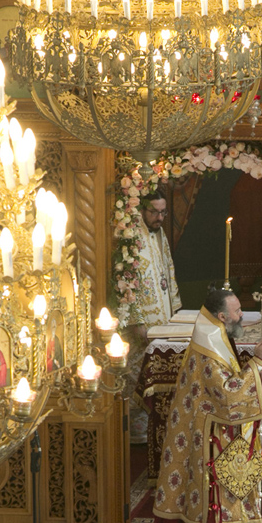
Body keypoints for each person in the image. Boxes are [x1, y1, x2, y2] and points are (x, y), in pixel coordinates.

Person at [149, 287, 262, 523]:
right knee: (215, 493)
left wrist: (253, 373)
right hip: (210, 438)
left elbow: (229, 381)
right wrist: (257, 362)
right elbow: (229, 397)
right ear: (222, 316)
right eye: (237, 311)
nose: (242, 314)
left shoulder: (215, 335)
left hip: (208, 428)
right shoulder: (208, 348)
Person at [119, 190, 182, 443]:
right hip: (141, 325)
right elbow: (124, 280)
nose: (159, 217)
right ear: (141, 211)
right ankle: (137, 433)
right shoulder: (130, 236)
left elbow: (168, 270)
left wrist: (174, 310)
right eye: (154, 212)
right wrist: (137, 320)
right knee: (136, 374)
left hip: (163, 320)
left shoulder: (160, 233)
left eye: (163, 212)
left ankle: (156, 428)